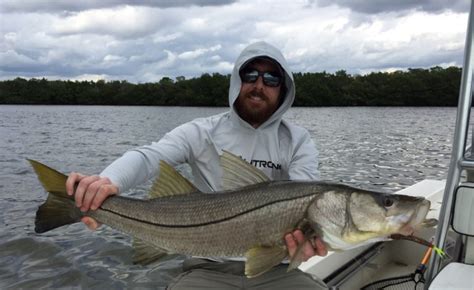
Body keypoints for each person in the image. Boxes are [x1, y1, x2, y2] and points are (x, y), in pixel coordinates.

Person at [66, 41, 328, 289]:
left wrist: (309, 237)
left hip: (278, 271)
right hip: (206, 268)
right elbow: (150, 157)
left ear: (283, 89)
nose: (259, 84)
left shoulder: (297, 140)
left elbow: (304, 196)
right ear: (237, 80)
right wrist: (106, 183)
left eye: (272, 79)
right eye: (250, 75)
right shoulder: (202, 132)